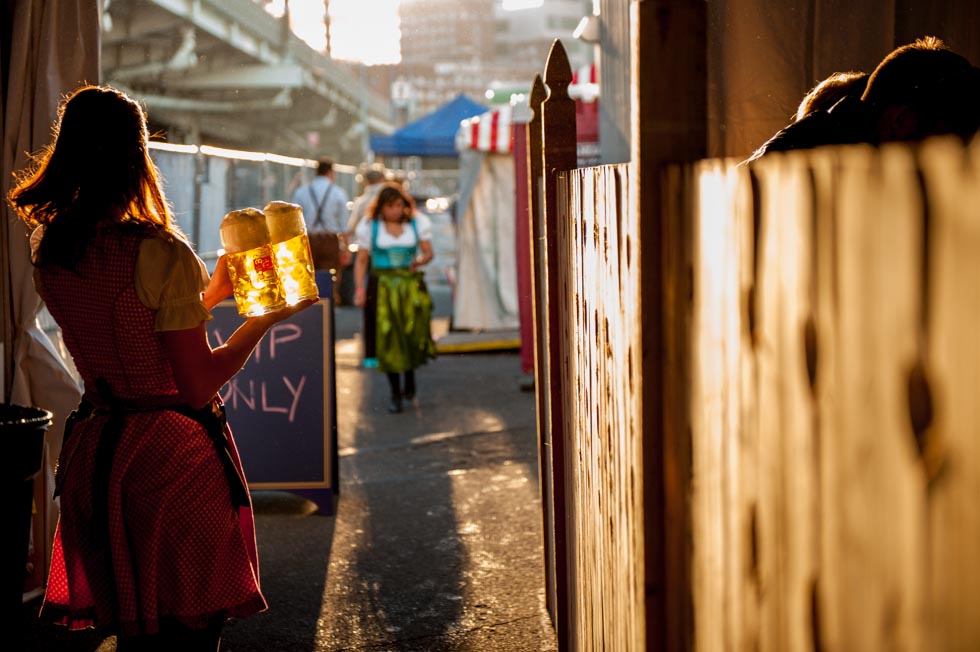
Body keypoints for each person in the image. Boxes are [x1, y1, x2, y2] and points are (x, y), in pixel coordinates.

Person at [8, 85, 316, 651]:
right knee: (186, 637)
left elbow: (123, 329)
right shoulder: (163, 252)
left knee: (134, 632)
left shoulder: (50, 243)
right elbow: (194, 385)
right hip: (170, 466)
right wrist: (267, 317)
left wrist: (210, 297)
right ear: (136, 156)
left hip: (97, 458)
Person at [745, 37, 980, 162]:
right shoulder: (803, 170)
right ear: (901, 121)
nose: (960, 161)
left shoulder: (835, 159)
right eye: (955, 144)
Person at [353, 183, 437, 413]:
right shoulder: (370, 226)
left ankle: (409, 377)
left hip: (410, 288)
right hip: (382, 289)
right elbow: (361, 260)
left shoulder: (417, 223)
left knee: (411, 333)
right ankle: (395, 392)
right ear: (381, 207)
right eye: (390, 206)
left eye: (399, 205)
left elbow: (429, 253)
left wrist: (418, 262)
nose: (395, 211)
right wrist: (360, 290)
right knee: (388, 337)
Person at [290, 156, 351, 303]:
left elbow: (293, 221)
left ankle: (312, 308)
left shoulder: (302, 192)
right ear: (331, 172)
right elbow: (343, 225)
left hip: (308, 239)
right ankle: (329, 304)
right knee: (330, 277)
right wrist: (346, 248)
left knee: (308, 278)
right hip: (330, 239)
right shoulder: (338, 193)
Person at [347, 166, 388, 368]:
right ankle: (392, 351)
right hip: (391, 259)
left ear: (365, 182)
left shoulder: (362, 201)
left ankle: (371, 354)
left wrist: (359, 289)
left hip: (370, 258)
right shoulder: (392, 197)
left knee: (371, 309)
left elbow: (351, 227)